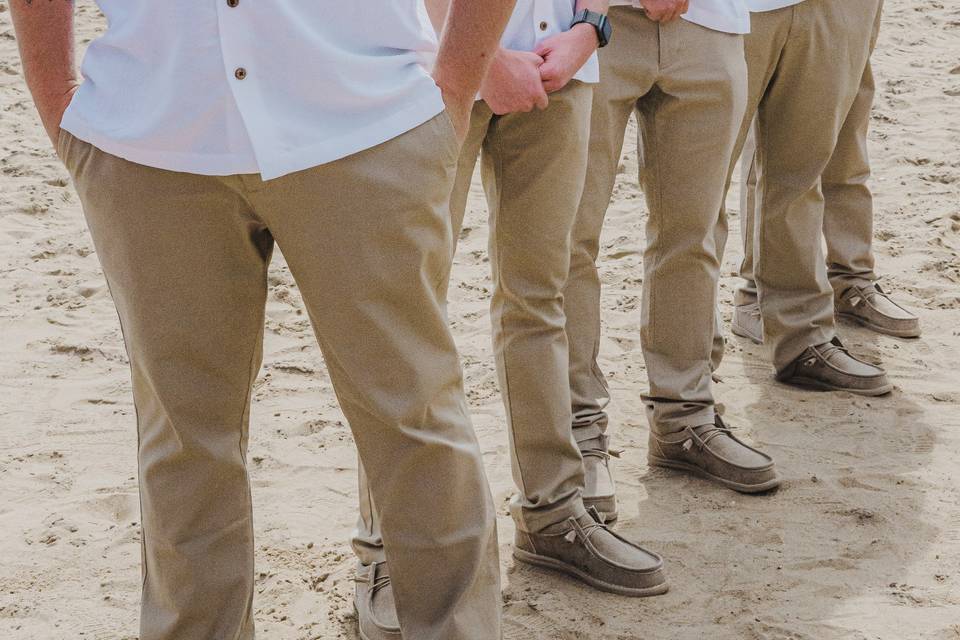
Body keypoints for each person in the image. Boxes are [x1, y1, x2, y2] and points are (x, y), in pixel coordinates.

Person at [10, 1, 518, 639]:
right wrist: (56, 96)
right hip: (150, 138)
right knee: (183, 440)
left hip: (364, 122)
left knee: (414, 417)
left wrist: (453, 88)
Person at [353, 3, 669, 625]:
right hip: (428, 74)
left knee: (541, 297)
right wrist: (483, 58)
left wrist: (590, 28)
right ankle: (387, 546)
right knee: (405, 313)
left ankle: (553, 512)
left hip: (561, 70)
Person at [563, 0, 782, 518]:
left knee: (694, 233)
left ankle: (685, 418)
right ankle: (576, 434)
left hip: (710, 23)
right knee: (568, 242)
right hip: (583, 25)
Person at [724, 0, 899, 396]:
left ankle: (820, 313)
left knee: (821, 151)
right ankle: (756, 302)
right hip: (737, 12)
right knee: (705, 199)